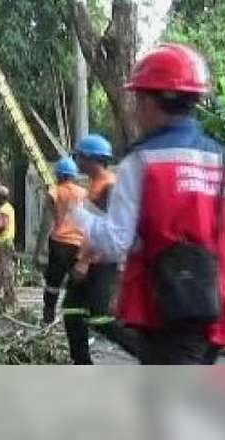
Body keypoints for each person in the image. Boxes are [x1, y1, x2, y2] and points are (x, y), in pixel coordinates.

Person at [71, 43, 225, 364]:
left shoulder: (143, 163)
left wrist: (76, 213)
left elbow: (117, 241)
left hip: (163, 314)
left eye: (137, 100)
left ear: (148, 101)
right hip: (216, 317)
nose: (134, 108)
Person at [61, 133, 140, 364]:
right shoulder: (94, 185)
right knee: (72, 312)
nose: (77, 161)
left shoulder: (109, 187)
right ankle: (81, 363)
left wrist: (85, 260)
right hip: (89, 259)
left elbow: (108, 231)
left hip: (102, 262)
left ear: (92, 159)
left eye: (80, 157)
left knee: (100, 317)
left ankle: (147, 354)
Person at [42, 157, 87, 326]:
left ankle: (48, 317)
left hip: (59, 242)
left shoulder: (55, 191)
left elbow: (49, 215)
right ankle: (78, 320)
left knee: (53, 282)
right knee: (77, 284)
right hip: (79, 243)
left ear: (58, 175)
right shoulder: (84, 193)